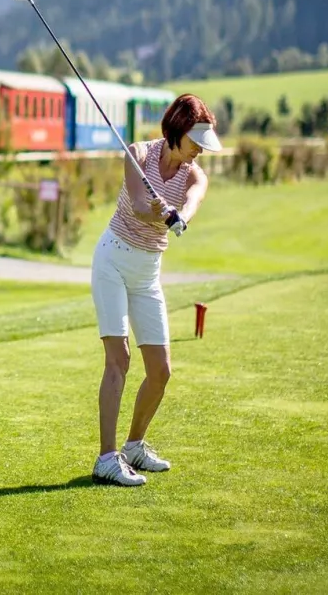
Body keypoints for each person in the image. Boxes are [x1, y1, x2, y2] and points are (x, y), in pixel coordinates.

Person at [90, 93, 221, 487]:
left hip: (147, 273)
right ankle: (106, 458)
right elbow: (134, 203)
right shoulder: (138, 155)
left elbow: (195, 197)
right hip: (112, 260)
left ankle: (133, 446)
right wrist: (155, 209)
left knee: (161, 371)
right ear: (177, 132)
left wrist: (180, 214)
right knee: (119, 359)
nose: (199, 151)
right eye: (195, 142)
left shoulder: (194, 172)